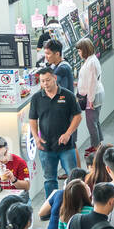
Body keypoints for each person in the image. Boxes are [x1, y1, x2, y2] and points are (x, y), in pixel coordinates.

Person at [28, 66, 83, 199]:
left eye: (47, 80)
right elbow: (32, 119)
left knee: (73, 178)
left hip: (66, 146)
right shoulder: (36, 98)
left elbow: (78, 116)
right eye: (42, 81)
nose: (45, 84)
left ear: (55, 78)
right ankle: (52, 207)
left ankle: (74, 204)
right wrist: (36, 137)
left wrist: (68, 134)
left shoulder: (67, 95)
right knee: (49, 180)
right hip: (46, 147)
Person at [74, 38, 104, 151]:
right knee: (95, 122)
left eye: (79, 51)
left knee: (91, 124)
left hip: (93, 96)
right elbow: (90, 80)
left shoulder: (91, 63)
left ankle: (96, 147)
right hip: (94, 95)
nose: (78, 53)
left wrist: (90, 100)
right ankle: (99, 145)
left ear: (85, 50)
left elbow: (92, 83)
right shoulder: (91, 60)